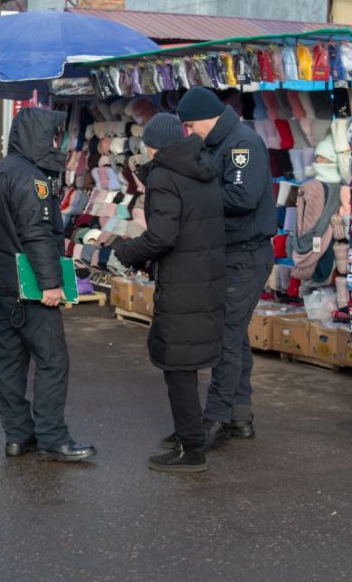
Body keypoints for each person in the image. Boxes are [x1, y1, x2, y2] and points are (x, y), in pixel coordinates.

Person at [113, 114, 225, 473]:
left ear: (152, 145)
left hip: (180, 281)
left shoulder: (163, 176)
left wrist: (127, 251)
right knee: (186, 363)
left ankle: (191, 449)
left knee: (178, 366)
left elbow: (162, 236)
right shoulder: (202, 167)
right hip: (204, 277)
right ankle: (187, 434)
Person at [0, 108, 96, 462]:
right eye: (52, 136)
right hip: (29, 285)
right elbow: (36, 234)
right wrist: (51, 284)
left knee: (11, 361)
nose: (55, 143)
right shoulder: (32, 178)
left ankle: (17, 436)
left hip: (2, 281)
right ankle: (52, 437)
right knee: (52, 360)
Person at [174, 86, 276, 450]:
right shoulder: (217, 143)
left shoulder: (242, 144)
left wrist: (197, 198)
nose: (189, 132)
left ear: (206, 118)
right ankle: (240, 417)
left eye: (190, 125)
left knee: (225, 336)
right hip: (230, 251)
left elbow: (243, 197)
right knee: (233, 336)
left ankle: (214, 418)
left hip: (247, 254)